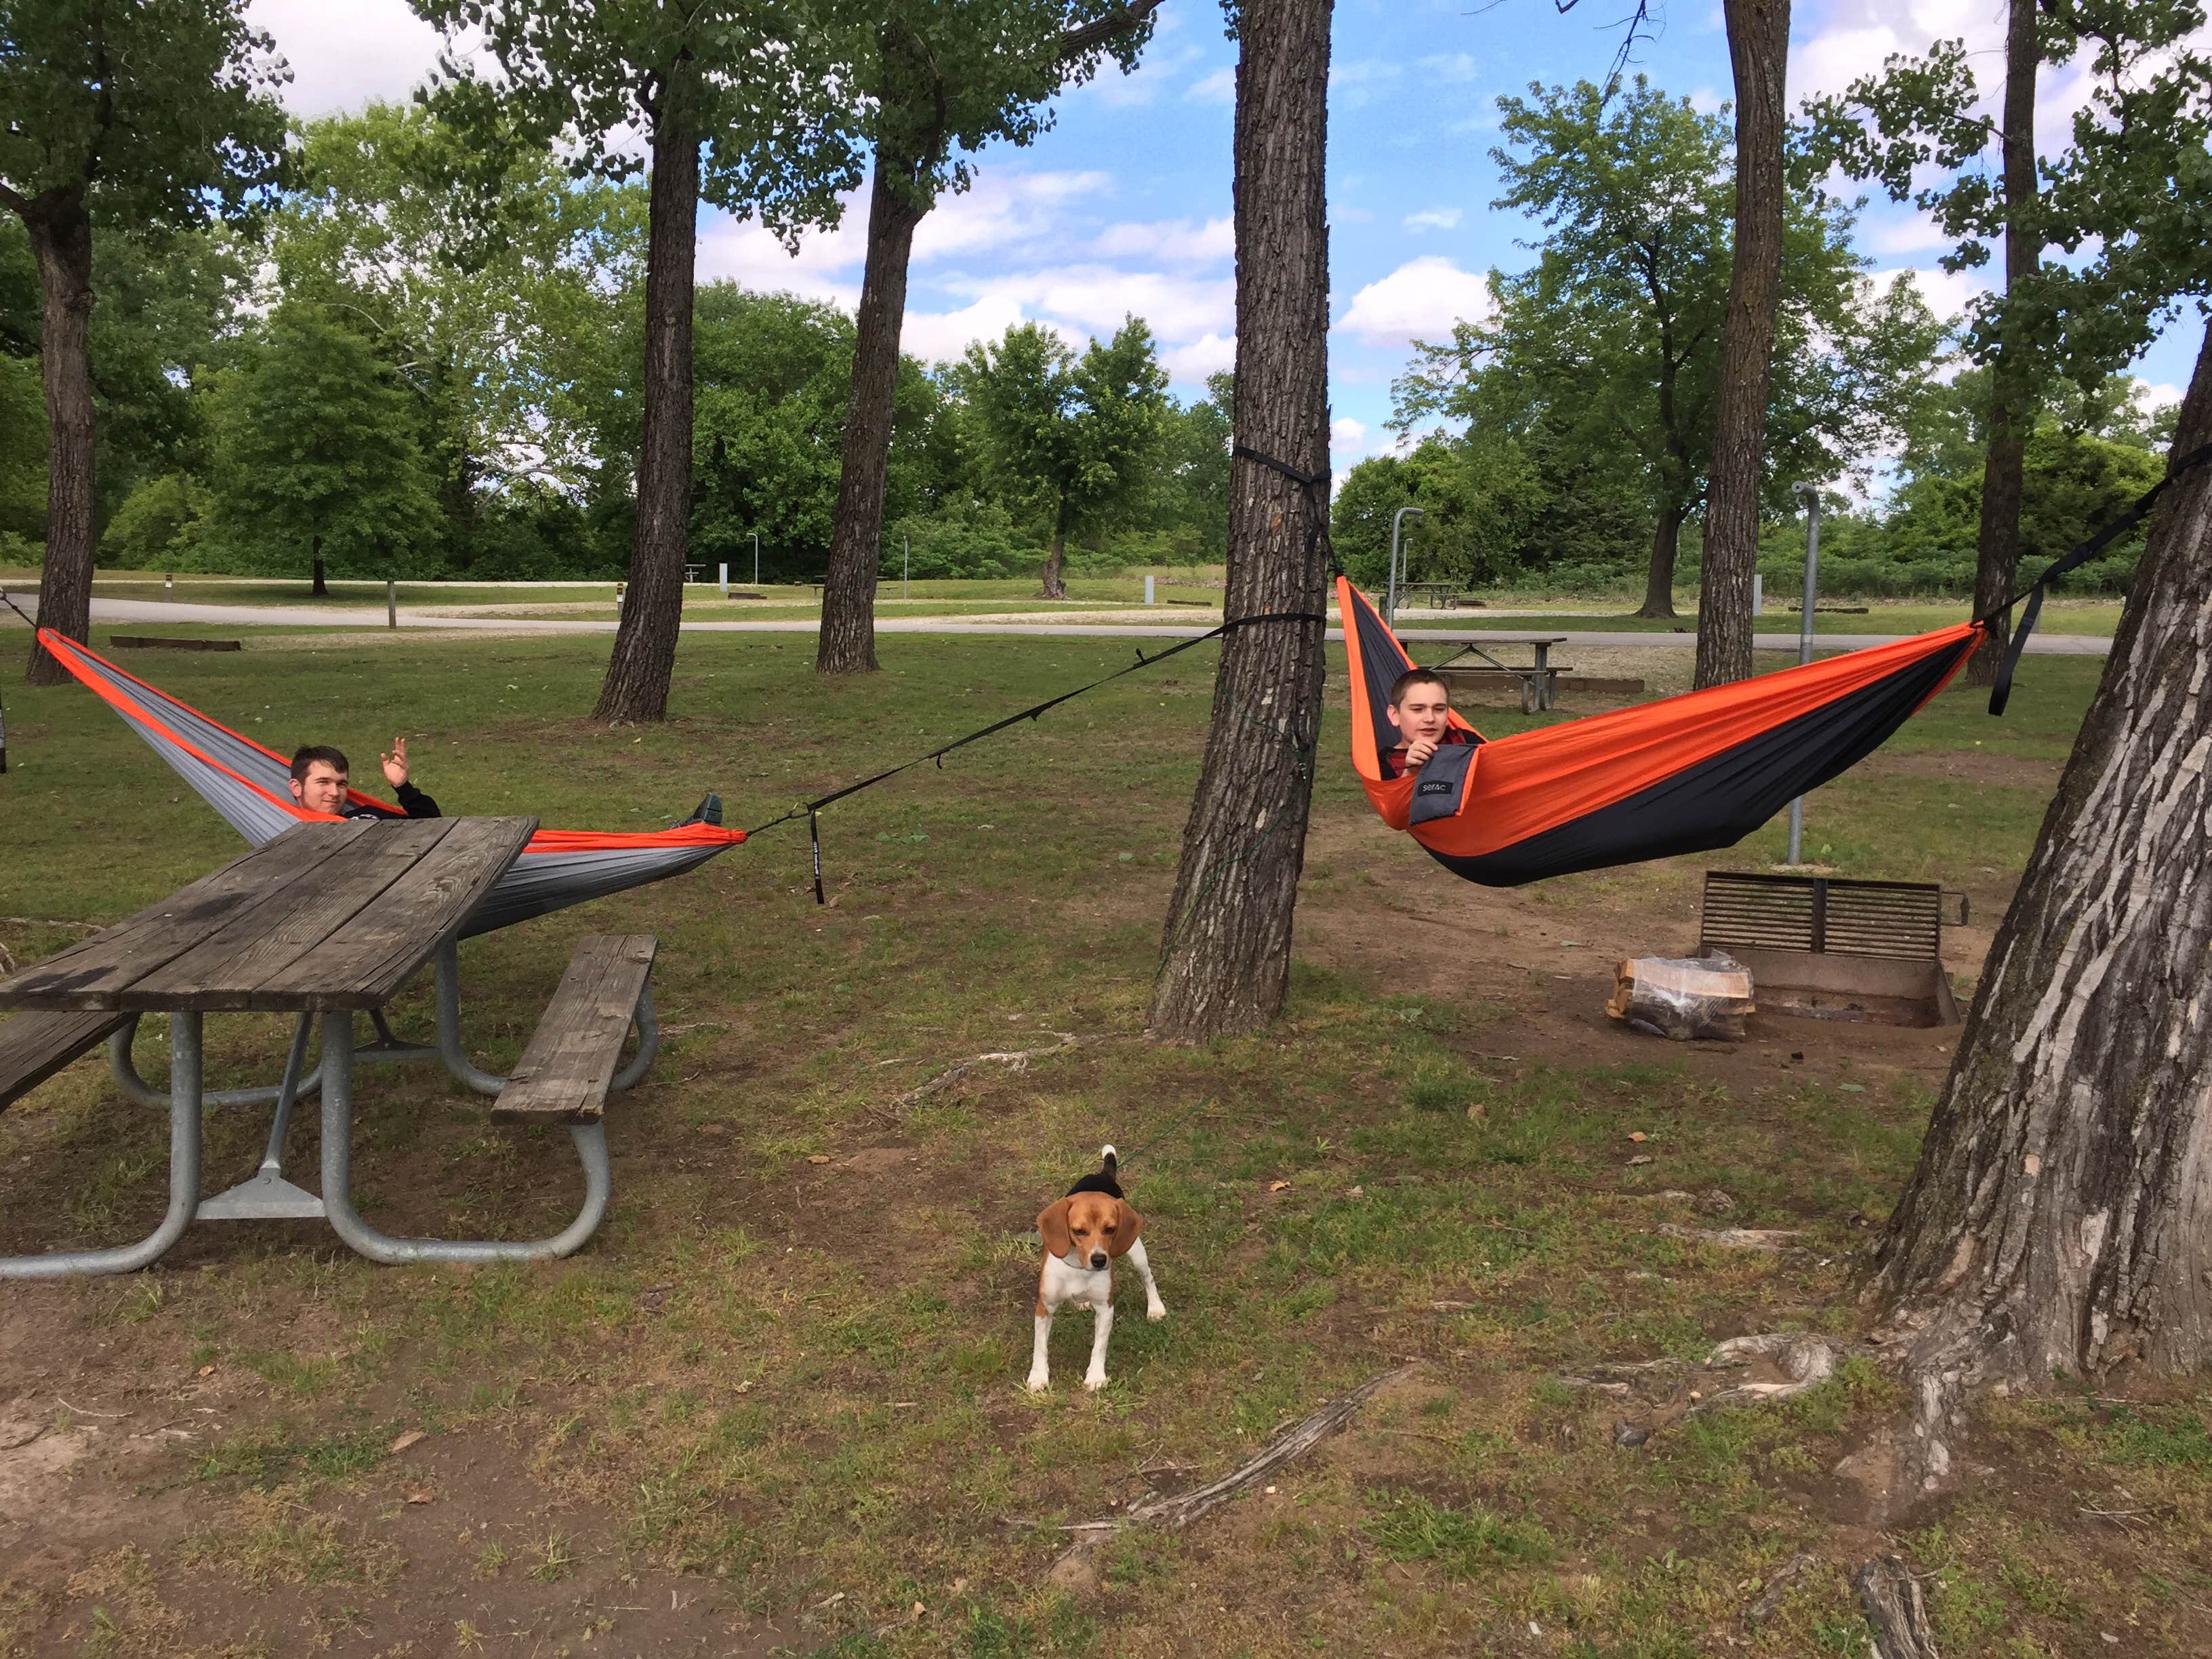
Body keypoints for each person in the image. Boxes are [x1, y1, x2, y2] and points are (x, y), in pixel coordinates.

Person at [287, 741, 441, 820]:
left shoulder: (366, 815)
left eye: (341, 784)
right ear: (296, 787)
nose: (334, 793)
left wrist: (403, 787)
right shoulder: (286, 829)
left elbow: (434, 826)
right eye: (323, 782)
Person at [1382, 667, 1467, 777]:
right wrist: (1411, 772)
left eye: (1439, 709)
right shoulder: (1385, 762)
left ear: (1447, 715)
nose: (1430, 718)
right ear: (1395, 715)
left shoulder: (1465, 741)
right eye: (1417, 709)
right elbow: (1388, 794)